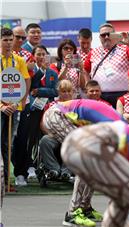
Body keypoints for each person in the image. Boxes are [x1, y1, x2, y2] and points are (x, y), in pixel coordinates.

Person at [42, 99, 123, 227]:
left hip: (62, 117)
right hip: (56, 115)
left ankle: (84, 208)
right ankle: (72, 214)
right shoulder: (112, 124)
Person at [13, 45, 58, 186]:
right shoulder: (30, 71)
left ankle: (44, 170)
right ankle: (23, 171)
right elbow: (30, 88)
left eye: (43, 54)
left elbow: (54, 92)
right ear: (33, 56)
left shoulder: (52, 73)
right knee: (28, 140)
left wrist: (39, 91)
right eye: (38, 54)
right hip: (32, 110)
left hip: (47, 111)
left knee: (43, 140)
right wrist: (38, 87)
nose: (41, 57)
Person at [0, 27, 30, 190]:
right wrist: (1, 107)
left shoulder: (19, 60)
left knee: (7, 145)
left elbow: (25, 81)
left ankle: (6, 181)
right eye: (5, 40)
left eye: (10, 40)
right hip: (1, 109)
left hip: (14, 107)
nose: (9, 43)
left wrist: (21, 101)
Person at [84, 23, 129, 108]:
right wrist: (88, 85)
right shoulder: (93, 52)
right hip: (99, 96)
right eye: (103, 35)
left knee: (120, 121)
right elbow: (85, 70)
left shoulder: (125, 49)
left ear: (114, 35)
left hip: (122, 95)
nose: (106, 37)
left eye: (109, 34)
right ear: (100, 37)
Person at [38, 80, 74, 181]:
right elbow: (42, 123)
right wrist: (49, 133)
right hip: (54, 136)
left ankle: (66, 172)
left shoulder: (78, 105)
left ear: (73, 92)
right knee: (45, 140)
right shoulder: (51, 105)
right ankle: (54, 170)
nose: (66, 94)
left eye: (69, 91)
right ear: (58, 92)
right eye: (63, 91)